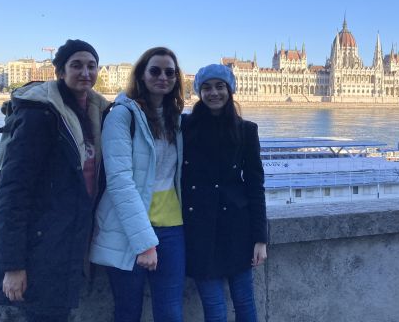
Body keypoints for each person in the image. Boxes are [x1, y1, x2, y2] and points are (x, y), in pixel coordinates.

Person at [0, 39, 109, 322]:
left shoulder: (95, 114)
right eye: (76, 65)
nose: (85, 72)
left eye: (91, 66)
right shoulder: (40, 115)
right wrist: (12, 265)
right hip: (41, 246)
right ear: (60, 71)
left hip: (69, 241)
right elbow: (13, 191)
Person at [90, 47, 185, 322]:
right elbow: (120, 181)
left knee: (171, 313)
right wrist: (144, 243)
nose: (163, 77)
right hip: (128, 230)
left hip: (172, 227)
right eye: (155, 71)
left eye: (170, 72)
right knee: (128, 312)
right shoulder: (122, 115)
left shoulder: (175, 118)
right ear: (141, 75)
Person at [181, 64, 267, 322]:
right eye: (206, 88)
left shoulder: (246, 130)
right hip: (199, 228)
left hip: (236, 228)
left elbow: (255, 186)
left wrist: (260, 238)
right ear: (199, 92)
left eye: (220, 87)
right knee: (215, 308)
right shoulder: (184, 126)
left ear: (230, 90)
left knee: (244, 302)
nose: (213, 93)